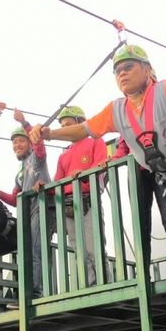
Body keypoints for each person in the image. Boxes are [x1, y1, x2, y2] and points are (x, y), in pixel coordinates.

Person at [29, 44, 166, 261]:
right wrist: (49, 133)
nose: (122, 73)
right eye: (117, 71)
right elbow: (83, 130)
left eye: (128, 67)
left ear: (146, 69)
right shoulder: (115, 110)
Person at [36, 105, 110, 286]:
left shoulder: (95, 141)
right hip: (68, 204)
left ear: (80, 123)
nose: (65, 130)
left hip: (88, 198)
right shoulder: (64, 155)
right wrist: (45, 186)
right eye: (62, 127)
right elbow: (57, 183)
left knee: (94, 247)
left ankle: (104, 285)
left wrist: (83, 174)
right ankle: (88, 286)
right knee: (78, 249)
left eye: (68, 125)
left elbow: (102, 167)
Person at [0, 109, 56, 298]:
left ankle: (36, 291)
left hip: (42, 206)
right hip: (28, 210)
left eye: (20, 141)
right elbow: (14, 199)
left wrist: (25, 123)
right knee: (27, 250)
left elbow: (40, 145)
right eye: (14, 143)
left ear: (29, 142)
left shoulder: (36, 158)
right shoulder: (19, 173)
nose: (16, 145)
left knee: (36, 248)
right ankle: (28, 288)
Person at [111, 138, 166, 276]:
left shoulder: (155, 116)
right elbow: (123, 147)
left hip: (161, 168)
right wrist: (112, 160)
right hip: (137, 172)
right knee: (141, 226)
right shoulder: (126, 120)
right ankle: (143, 273)